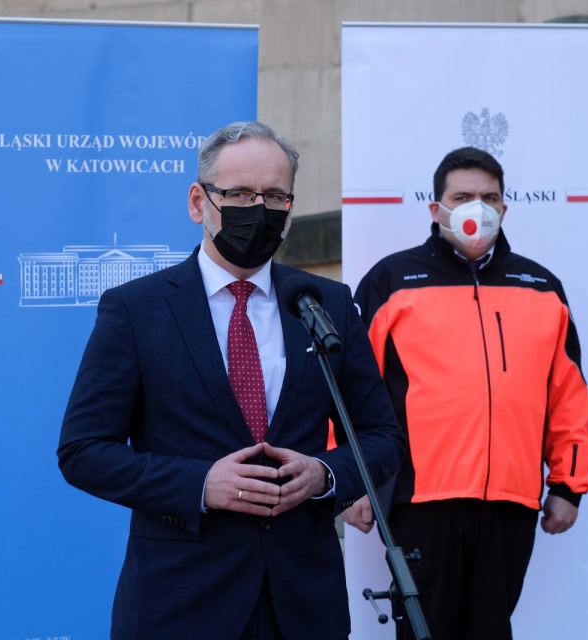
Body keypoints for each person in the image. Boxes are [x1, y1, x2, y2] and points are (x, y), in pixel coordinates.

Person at [57, 121, 404, 640]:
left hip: (302, 602)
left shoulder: (324, 304)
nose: (258, 209)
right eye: (240, 193)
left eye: (274, 196)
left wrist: (324, 475)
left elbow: (381, 436)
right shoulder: (136, 310)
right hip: (180, 599)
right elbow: (82, 450)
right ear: (199, 202)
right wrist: (200, 484)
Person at [344, 146, 588, 640]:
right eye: (462, 196)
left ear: (504, 208)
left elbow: (568, 394)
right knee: (423, 631)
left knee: (490, 630)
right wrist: (353, 478)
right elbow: (349, 386)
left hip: (511, 500)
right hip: (419, 499)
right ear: (436, 208)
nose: (476, 207)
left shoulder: (542, 287)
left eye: (488, 197)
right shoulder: (390, 281)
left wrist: (568, 486)